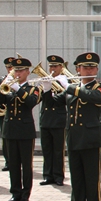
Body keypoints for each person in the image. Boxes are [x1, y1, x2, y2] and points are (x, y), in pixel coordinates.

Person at [53, 53, 101, 201]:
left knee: (91, 180)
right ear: (78, 69)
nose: (89, 70)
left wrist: (69, 87)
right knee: (77, 180)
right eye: (85, 67)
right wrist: (49, 87)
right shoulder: (73, 87)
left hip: (90, 139)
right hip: (74, 138)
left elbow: (95, 98)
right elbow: (56, 101)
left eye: (92, 67)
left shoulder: (99, 87)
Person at [0, 57, 41, 201]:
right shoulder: (8, 86)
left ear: (28, 71)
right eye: (15, 70)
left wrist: (18, 90)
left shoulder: (33, 89)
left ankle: (25, 193)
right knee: (13, 163)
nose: (18, 73)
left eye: (21, 70)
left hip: (25, 130)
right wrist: (3, 87)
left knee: (26, 164)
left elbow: (31, 102)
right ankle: (15, 192)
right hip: (10, 129)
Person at [39, 55, 68, 186]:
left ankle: (58, 176)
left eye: (55, 66)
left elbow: (62, 100)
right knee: (47, 149)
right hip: (46, 119)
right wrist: (46, 87)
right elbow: (41, 100)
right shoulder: (47, 80)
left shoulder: (66, 83)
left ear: (61, 68)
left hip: (58, 119)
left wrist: (60, 85)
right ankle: (47, 175)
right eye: (51, 66)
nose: (52, 68)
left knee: (58, 150)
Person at [0, 57, 14, 172]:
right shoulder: (0, 80)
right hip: (4, 114)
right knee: (5, 139)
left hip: (16, 114)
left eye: (12, 67)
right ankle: (8, 161)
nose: (10, 69)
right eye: (8, 67)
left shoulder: (19, 81)